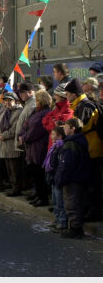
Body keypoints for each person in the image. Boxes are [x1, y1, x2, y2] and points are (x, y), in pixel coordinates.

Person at [65, 78, 102, 221]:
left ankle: (95, 211)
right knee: (88, 182)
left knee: (93, 183)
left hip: (92, 149)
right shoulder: (79, 105)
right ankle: (88, 209)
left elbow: (83, 127)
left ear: (74, 94)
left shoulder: (85, 106)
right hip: (88, 148)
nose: (66, 96)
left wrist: (69, 128)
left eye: (68, 94)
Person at [55, 118, 91, 238]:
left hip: (73, 178)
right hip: (79, 176)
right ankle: (75, 226)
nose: (64, 129)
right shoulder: (80, 140)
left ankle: (76, 228)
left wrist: (60, 179)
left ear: (73, 129)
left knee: (72, 203)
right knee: (76, 202)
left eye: (66, 127)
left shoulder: (71, 143)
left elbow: (66, 165)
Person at [19, 90, 52, 206]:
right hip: (32, 147)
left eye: (37, 99)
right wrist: (22, 134)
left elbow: (35, 130)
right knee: (35, 174)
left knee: (39, 174)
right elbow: (25, 124)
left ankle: (43, 198)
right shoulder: (35, 111)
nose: (36, 102)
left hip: (39, 146)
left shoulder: (45, 113)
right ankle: (39, 195)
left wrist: (24, 137)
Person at [0, 92, 23, 197]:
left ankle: (16, 188)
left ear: (15, 101)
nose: (7, 102)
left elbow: (16, 127)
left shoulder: (19, 112)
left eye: (10, 100)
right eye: (5, 100)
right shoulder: (4, 111)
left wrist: (4, 135)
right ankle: (12, 186)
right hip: (3, 144)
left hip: (12, 143)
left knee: (14, 168)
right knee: (8, 168)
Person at [43, 126, 67, 232]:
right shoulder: (54, 147)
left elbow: (59, 165)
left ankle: (62, 223)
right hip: (53, 177)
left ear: (60, 136)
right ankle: (57, 220)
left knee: (60, 202)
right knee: (55, 201)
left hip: (58, 177)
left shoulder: (61, 147)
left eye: (53, 134)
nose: (51, 137)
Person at [41, 85, 74, 150]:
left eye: (56, 95)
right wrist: (54, 122)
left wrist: (52, 121)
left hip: (59, 145)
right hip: (53, 143)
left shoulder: (68, 109)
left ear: (62, 96)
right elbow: (44, 120)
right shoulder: (58, 108)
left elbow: (58, 129)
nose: (54, 97)